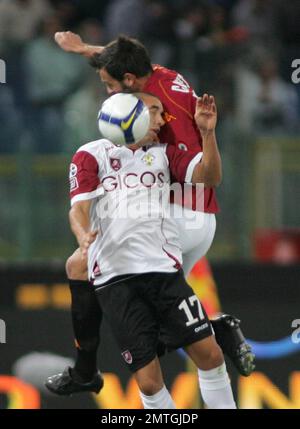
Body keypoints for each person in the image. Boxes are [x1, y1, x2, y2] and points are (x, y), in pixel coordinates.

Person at [45, 33, 254, 396]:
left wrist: (208, 134)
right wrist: (86, 50)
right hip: (189, 221)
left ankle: (85, 368)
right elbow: (124, 59)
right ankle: (211, 328)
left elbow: (205, 175)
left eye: (111, 85)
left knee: (82, 266)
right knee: (165, 320)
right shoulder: (153, 74)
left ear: (129, 83)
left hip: (183, 212)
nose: (109, 93)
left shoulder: (163, 120)